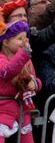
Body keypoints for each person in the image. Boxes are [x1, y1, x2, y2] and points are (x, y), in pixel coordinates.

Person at [0, 15, 40, 143]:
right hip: (3, 110)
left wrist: (34, 83)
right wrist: (24, 54)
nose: (24, 42)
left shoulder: (26, 60)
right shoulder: (1, 59)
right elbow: (8, 71)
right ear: (6, 42)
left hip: (22, 110)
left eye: (25, 38)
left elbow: (35, 78)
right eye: (19, 38)